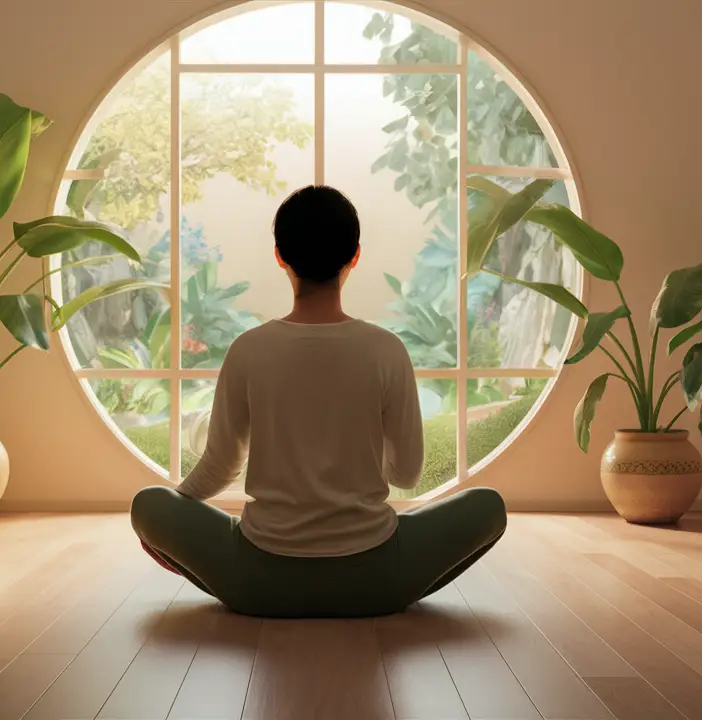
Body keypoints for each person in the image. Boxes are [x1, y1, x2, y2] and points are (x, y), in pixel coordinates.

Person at [130, 185, 507, 618]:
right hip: (378, 578)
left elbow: (221, 467)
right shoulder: (386, 350)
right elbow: (407, 474)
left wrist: (172, 518)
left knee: (147, 504)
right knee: (489, 506)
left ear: (280, 256)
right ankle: (393, 595)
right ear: (355, 256)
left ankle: (236, 585)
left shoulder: (248, 349)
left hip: (259, 581)